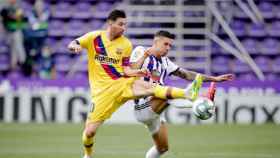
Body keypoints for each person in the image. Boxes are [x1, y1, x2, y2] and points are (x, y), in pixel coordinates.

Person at [67, 10, 204, 158]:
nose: (123, 28)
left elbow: (126, 69)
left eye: (125, 25)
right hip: (102, 94)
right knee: (89, 132)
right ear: (110, 23)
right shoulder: (94, 37)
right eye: (120, 24)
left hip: (122, 84)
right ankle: (88, 155)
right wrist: (75, 46)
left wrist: (136, 73)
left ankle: (187, 93)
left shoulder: (125, 44)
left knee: (153, 88)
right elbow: (74, 42)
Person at [129, 30, 234, 158]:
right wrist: (145, 55)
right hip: (142, 106)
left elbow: (187, 74)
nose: (168, 48)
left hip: (157, 110)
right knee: (164, 92)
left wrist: (214, 78)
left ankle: (197, 100)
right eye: (165, 44)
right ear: (156, 42)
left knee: (162, 148)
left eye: (170, 46)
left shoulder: (165, 62)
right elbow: (132, 69)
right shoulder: (141, 51)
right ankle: (195, 98)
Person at [0, 0, 27, 69]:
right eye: (11, 2)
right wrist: (13, 16)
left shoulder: (18, 10)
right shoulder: (5, 10)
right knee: (14, 43)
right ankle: (20, 61)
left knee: (16, 42)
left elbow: (23, 20)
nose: (12, 3)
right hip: (7, 33)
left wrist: (17, 17)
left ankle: (17, 62)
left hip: (16, 32)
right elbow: (5, 20)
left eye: (14, 2)